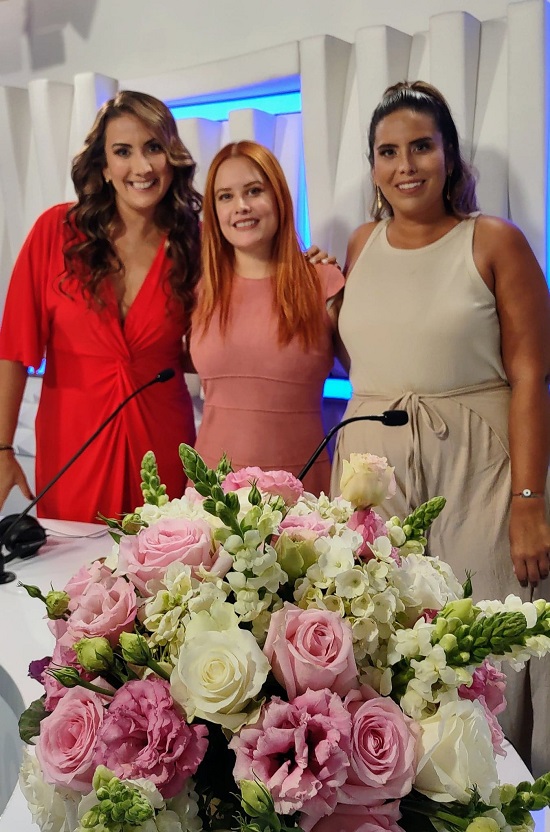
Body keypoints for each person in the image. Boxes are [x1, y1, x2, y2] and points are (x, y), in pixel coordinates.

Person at [330, 80, 550, 775]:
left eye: (421, 146)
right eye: (387, 151)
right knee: (385, 642)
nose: (405, 165)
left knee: (488, 637)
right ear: (372, 165)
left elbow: (532, 377)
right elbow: (370, 355)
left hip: (479, 468)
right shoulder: (360, 243)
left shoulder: (493, 240)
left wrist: (530, 501)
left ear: (449, 155)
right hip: (374, 475)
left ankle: (506, 792)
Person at [0, 91, 201, 523]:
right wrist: (2, 449)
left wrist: (313, 269)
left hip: (163, 444)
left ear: (172, 157)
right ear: (104, 166)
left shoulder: (195, 244)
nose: (141, 167)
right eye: (123, 151)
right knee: (73, 564)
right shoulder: (55, 232)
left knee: (166, 561)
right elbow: (13, 350)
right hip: (73, 443)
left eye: (154, 147)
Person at [190, 140, 344, 494]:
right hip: (212, 496)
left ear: (279, 198)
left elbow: (372, 380)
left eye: (254, 191)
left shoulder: (323, 282)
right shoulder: (201, 291)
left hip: (301, 496)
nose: (241, 206)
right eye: (225, 196)